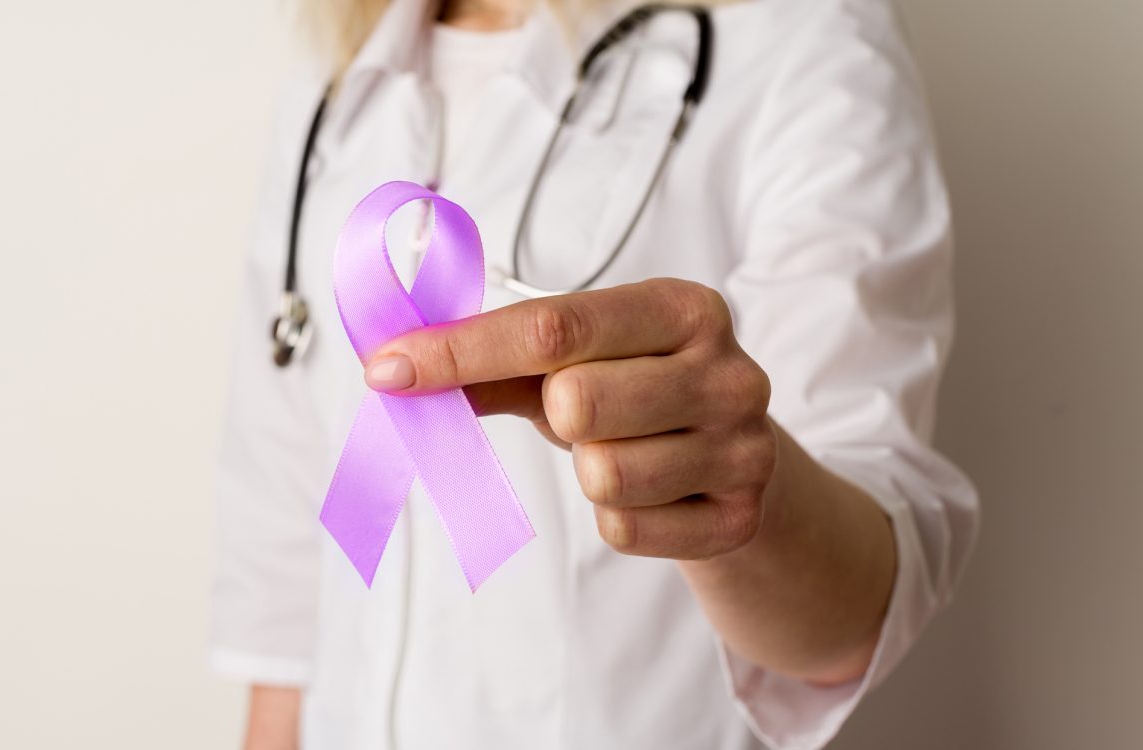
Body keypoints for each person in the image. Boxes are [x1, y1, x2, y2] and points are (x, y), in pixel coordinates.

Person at [208, 0, 980, 748]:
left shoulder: (800, 39)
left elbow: (851, 623)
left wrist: (745, 494)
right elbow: (287, 557)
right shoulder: (330, 88)